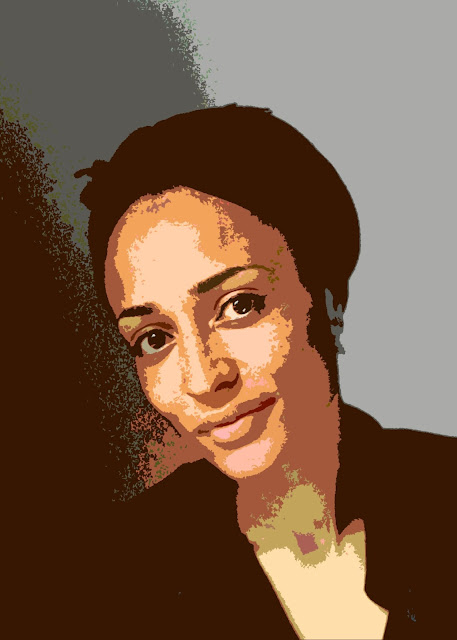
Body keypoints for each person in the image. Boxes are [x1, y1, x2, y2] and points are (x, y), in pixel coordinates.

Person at [76, 104, 455, 639]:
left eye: (239, 306)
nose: (204, 379)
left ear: (329, 299)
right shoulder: (115, 577)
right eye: (155, 339)